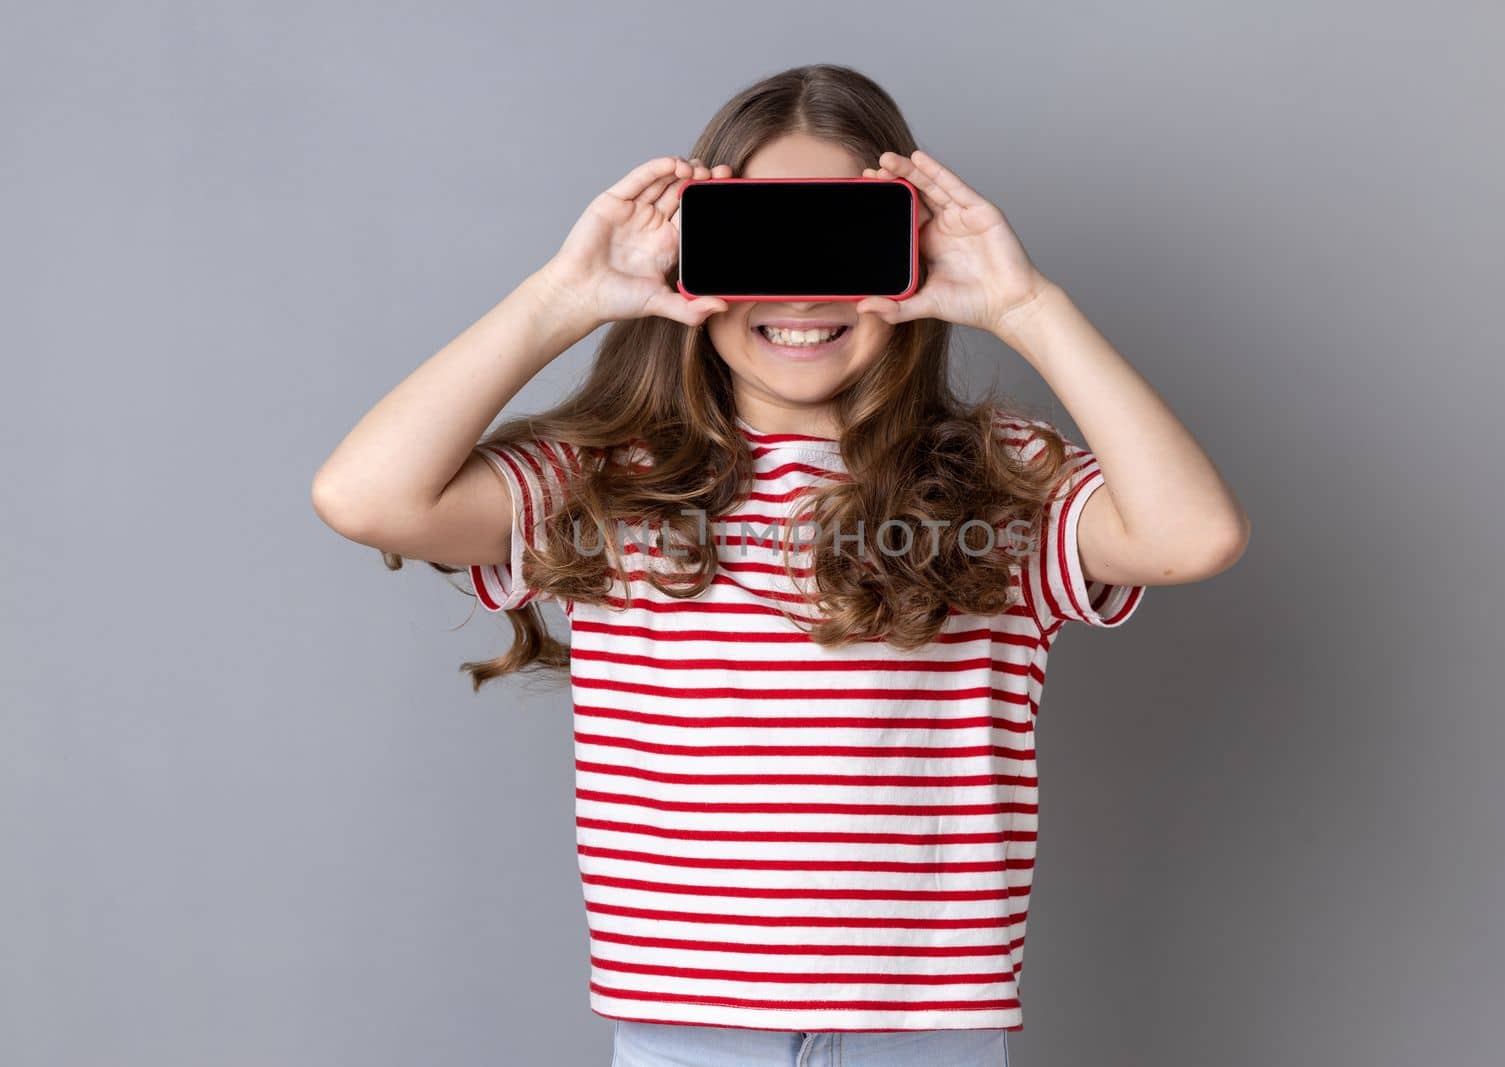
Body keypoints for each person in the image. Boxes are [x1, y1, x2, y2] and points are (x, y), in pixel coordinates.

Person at [312, 63, 1249, 1067]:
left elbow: (1190, 534)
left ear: (912, 258)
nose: (801, 289)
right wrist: (562, 297)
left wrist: (1025, 305)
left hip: (923, 1026)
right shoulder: (598, 477)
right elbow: (365, 497)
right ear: (688, 260)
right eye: (758, 240)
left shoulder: (999, 478)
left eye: (844, 241)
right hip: (688, 1026)